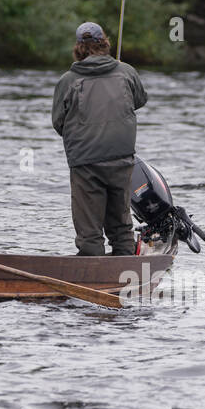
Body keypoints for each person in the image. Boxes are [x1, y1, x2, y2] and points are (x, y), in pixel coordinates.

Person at [51, 22, 148, 256]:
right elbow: (139, 101)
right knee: (120, 222)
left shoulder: (68, 80)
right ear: (104, 42)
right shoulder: (127, 71)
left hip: (85, 161)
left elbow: (58, 122)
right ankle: (126, 266)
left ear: (79, 47)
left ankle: (92, 272)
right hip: (121, 157)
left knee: (89, 228)